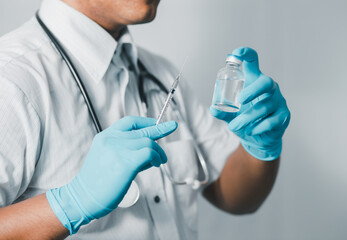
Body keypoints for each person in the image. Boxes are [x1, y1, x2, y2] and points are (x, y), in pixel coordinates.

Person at [0, 0, 290, 239]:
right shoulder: (12, 80)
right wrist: (70, 203)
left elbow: (235, 196)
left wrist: (260, 146)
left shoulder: (160, 73)